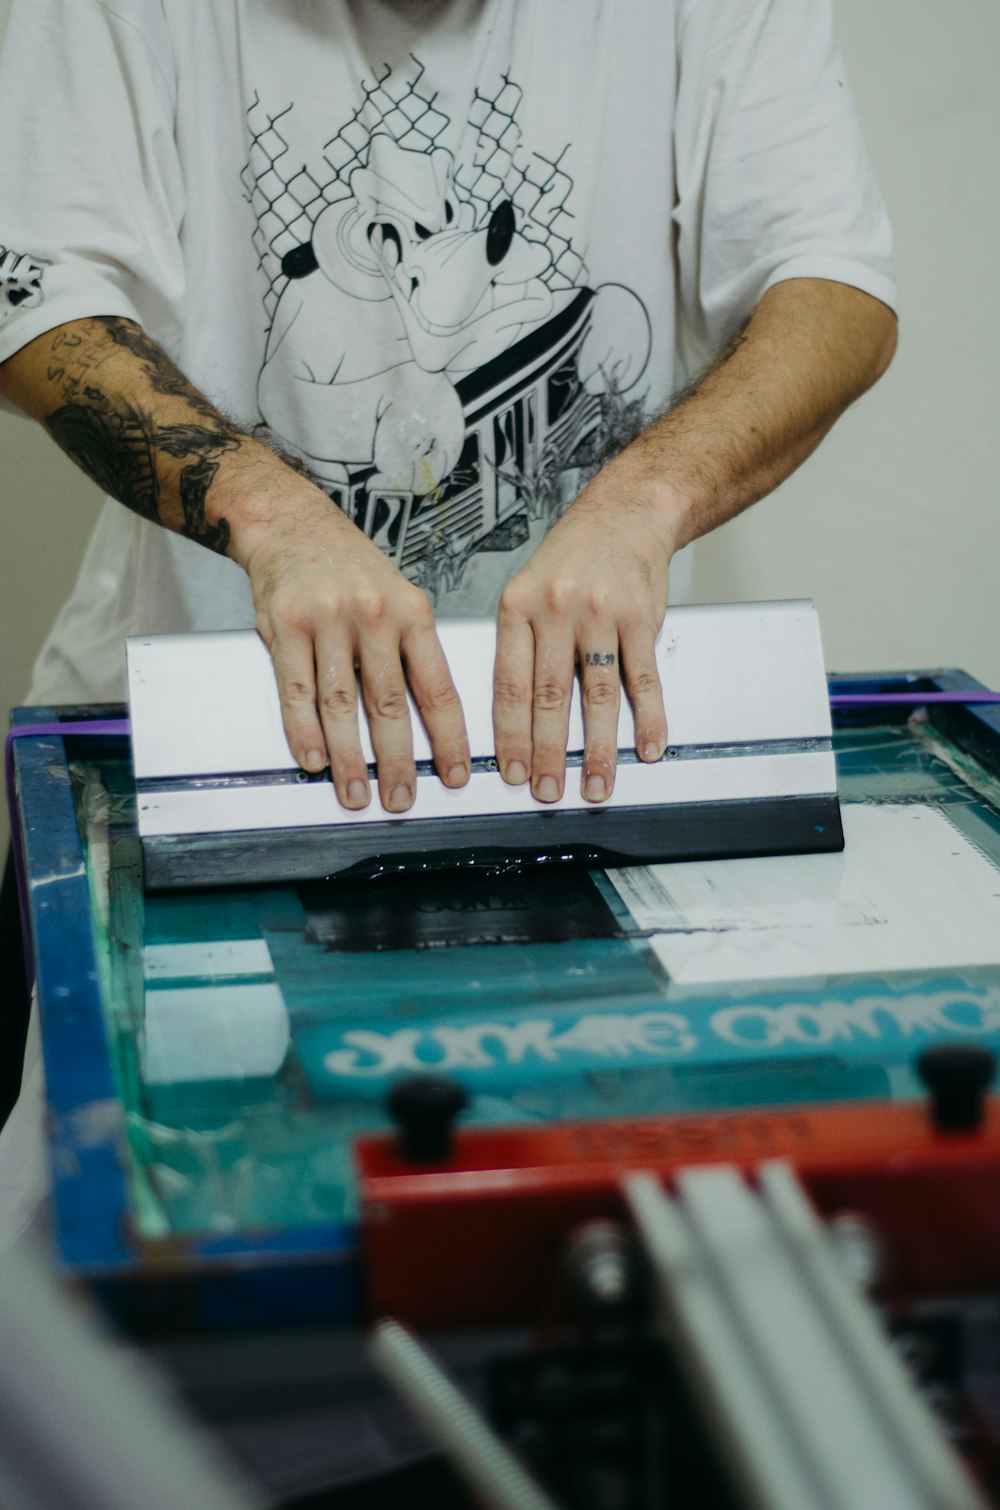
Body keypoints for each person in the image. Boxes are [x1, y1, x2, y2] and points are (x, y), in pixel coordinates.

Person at [0, 0, 896, 1497]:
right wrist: (277, 519)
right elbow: (41, 295)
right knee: (141, 1339)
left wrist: (639, 499)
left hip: (600, 742)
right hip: (213, 731)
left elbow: (834, 283)